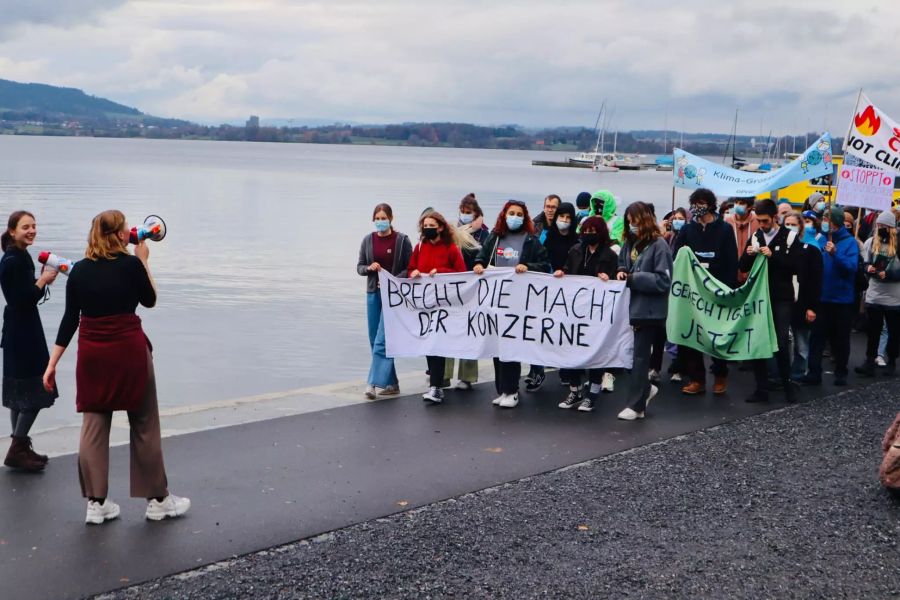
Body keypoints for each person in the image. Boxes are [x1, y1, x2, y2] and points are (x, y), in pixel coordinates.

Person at [42, 210, 189, 525]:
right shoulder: (131, 265)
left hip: (93, 355)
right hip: (129, 352)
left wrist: (51, 363)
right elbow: (149, 300)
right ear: (120, 235)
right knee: (144, 424)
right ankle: (158, 501)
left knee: (94, 427)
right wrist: (144, 259)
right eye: (125, 228)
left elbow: (70, 320)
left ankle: (96, 504)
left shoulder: (79, 271)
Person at [474, 200, 550, 408]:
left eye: (518, 214)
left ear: (524, 217)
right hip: (496, 301)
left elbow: (544, 266)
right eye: (511, 213)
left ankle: (512, 390)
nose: (514, 217)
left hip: (519, 304)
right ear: (504, 215)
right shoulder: (496, 237)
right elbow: (480, 257)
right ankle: (502, 390)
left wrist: (528, 266)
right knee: (497, 347)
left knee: (511, 347)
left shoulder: (531, 241)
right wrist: (479, 265)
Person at [0, 211, 58, 471]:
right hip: (23, 333)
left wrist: (41, 283)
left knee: (18, 393)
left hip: (17, 330)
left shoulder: (17, 256)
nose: (32, 230)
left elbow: (22, 296)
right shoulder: (14, 260)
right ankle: (17, 448)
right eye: (26, 227)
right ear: (12, 231)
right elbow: (21, 300)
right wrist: (43, 281)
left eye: (34, 226)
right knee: (35, 390)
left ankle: (20, 448)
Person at [673, 188, 739, 395]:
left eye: (702, 203)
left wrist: (726, 289)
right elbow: (678, 258)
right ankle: (697, 379)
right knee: (693, 336)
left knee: (717, 335)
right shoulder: (687, 230)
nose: (697, 207)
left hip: (717, 289)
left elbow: (731, 261)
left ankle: (720, 374)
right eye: (695, 203)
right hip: (694, 292)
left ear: (710, 205)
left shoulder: (725, 230)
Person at [615, 202, 673, 420]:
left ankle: (637, 404)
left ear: (644, 220)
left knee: (639, 357)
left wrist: (633, 279)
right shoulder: (630, 243)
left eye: (634, 221)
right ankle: (645, 391)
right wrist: (621, 271)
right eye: (628, 221)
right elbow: (622, 262)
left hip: (649, 311)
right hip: (630, 308)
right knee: (629, 356)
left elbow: (663, 280)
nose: (631, 225)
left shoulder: (660, 246)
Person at [554, 216, 618, 412]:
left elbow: (617, 282)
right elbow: (567, 269)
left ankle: (593, 393)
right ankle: (576, 390)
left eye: (593, 231)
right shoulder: (575, 250)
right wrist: (561, 274)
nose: (589, 234)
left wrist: (609, 278)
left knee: (595, 352)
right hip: (575, 311)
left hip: (596, 313)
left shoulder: (609, 255)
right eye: (586, 230)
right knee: (573, 350)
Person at [739, 200, 800, 403]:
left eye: (765, 221)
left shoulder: (789, 236)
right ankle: (761, 388)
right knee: (758, 341)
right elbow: (742, 265)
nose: (762, 225)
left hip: (781, 296)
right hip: (760, 296)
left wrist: (773, 256)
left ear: (775, 217)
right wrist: (749, 255)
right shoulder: (756, 236)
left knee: (781, 343)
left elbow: (795, 267)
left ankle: (787, 384)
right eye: (759, 221)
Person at [407, 211, 467, 403]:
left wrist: (440, 272)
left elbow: (461, 274)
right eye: (425, 226)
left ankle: (436, 386)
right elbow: (410, 269)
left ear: (440, 227)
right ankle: (435, 385)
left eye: (432, 226)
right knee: (428, 344)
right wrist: (414, 273)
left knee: (437, 345)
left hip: (445, 307)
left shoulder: (451, 249)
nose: (428, 229)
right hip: (425, 306)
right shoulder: (419, 246)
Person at [357, 203, 413, 399]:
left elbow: (410, 268)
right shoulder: (368, 240)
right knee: (375, 339)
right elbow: (360, 267)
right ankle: (392, 383)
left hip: (394, 296)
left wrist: (393, 281)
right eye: (377, 218)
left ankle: (372, 383)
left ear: (391, 218)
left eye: (383, 218)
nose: (380, 222)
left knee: (383, 339)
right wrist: (369, 268)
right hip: (373, 294)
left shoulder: (402, 240)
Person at [801, 206, 860, 386]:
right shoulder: (820, 240)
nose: (824, 223)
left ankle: (841, 372)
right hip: (822, 298)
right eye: (824, 220)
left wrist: (836, 254)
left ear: (835, 222)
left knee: (840, 339)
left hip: (842, 300)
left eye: (828, 220)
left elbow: (851, 268)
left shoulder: (850, 243)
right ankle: (814, 372)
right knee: (817, 337)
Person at [525, 202, 579, 391]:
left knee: (565, 332)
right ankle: (537, 370)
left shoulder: (578, 241)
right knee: (539, 331)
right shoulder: (546, 237)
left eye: (568, 218)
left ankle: (566, 371)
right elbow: (539, 259)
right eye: (561, 217)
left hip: (568, 294)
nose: (564, 221)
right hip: (545, 290)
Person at [445, 194, 488, 390]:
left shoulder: (485, 235)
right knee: (447, 329)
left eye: (468, 213)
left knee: (470, 330)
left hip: (474, 289)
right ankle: (443, 375)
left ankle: (467, 376)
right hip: (453, 288)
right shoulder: (452, 232)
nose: (464, 215)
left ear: (477, 214)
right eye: (462, 212)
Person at [855, 210, 900, 377]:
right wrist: (869, 268)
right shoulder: (871, 242)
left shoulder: (898, 244)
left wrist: (890, 275)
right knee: (873, 330)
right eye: (879, 225)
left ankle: (892, 360)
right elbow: (864, 263)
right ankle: (869, 360)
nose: (880, 228)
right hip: (875, 294)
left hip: (894, 297)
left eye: (884, 226)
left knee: (894, 331)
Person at [788, 211, 823, 381]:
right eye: (786, 224)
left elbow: (815, 281)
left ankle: (798, 373)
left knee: (801, 343)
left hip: (802, 304)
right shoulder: (780, 249)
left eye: (793, 224)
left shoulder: (811, 250)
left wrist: (812, 307)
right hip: (784, 303)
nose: (789, 228)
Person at [724, 197, 759, 284]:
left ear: (750, 207)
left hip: (752, 273)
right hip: (732, 273)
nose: (737, 205)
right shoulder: (727, 221)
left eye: (741, 203)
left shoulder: (758, 221)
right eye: (736, 202)